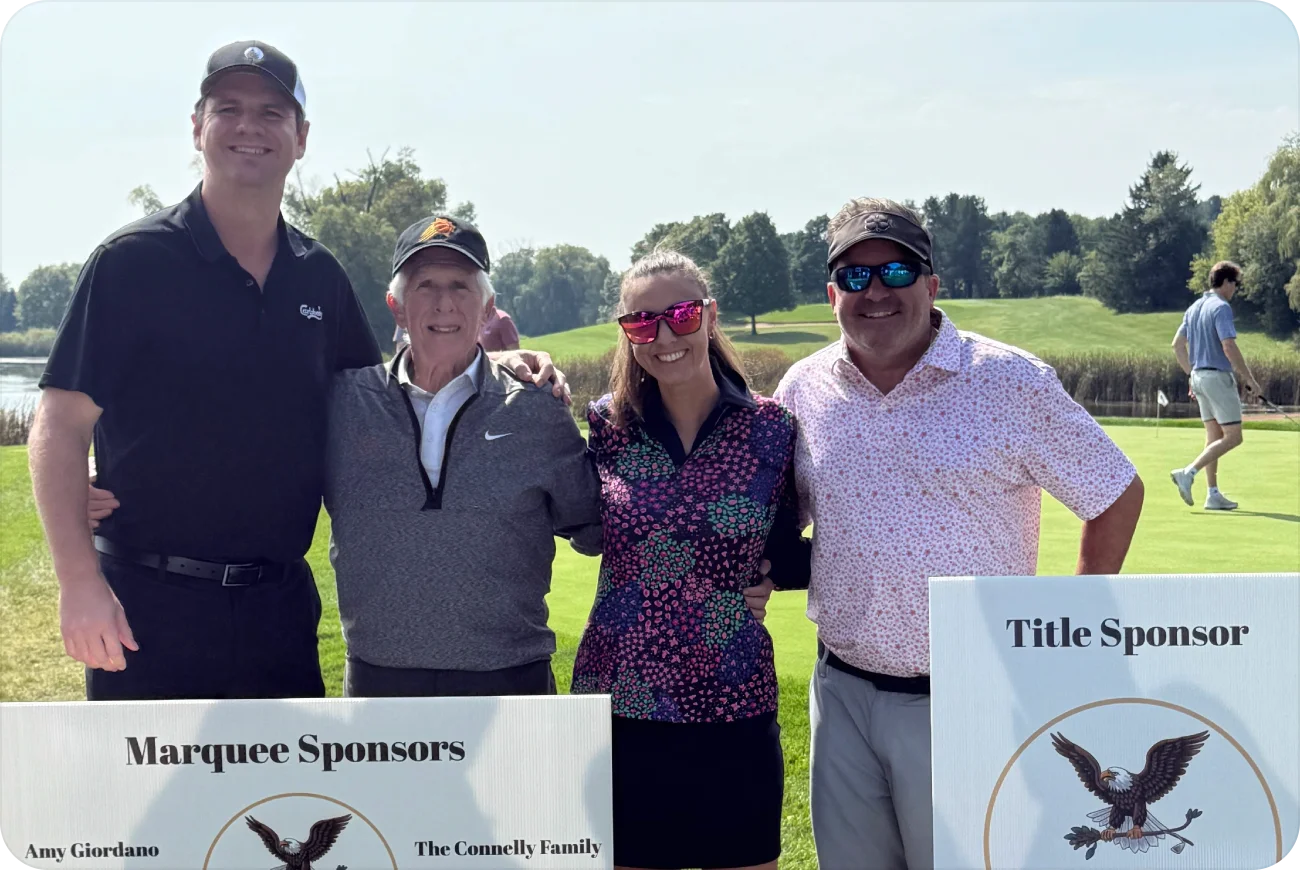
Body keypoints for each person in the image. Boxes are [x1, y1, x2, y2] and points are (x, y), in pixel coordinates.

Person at [40, 39, 563, 702]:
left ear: (302, 137)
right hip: (149, 604)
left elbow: (380, 396)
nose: (249, 127)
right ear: (197, 127)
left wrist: (488, 363)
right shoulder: (131, 262)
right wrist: (79, 582)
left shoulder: (318, 274)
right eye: (228, 108)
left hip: (278, 611)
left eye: (272, 113)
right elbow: (60, 424)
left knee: (281, 803)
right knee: (156, 805)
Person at [756, 198, 1144, 870]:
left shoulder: (1009, 380)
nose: (875, 291)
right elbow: (778, 520)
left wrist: (1074, 622)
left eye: (895, 271)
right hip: (841, 691)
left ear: (932, 283)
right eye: (854, 277)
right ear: (830, 294)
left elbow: (1114, 491)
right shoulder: (804, 388)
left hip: (970, 695)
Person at [570, 250, 811, 870]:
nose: (664, 336)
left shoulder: (772, 428)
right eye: (642, 323)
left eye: (679, 314)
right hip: (623, 702)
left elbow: (788, 551)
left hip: (732, 699)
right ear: (627, 333)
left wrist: (770, 576)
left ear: (708, 315)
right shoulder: (607, 424)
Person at [325, 215, 602, 697]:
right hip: (377, 684)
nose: (444, 302)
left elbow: (597, 527)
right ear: (396, 307)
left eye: (461, 286)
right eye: (425, 285)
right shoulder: (344, 402)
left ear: (488, 308)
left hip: (510, 683)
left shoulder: (537, 404)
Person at [1169, 260, 1262, 510]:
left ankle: (1212, 494)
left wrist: (1191, 375)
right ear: (1227, 282)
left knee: (1214, 436)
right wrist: (1250, 380)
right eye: (1236, 284)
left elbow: (1177, 346)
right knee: (1234, 437)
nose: (1235, 290)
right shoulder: (1221, 307)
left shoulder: (1194, 307)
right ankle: (1188, 473)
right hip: (1217, 377)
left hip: (1199, 377)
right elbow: (1228, 346)